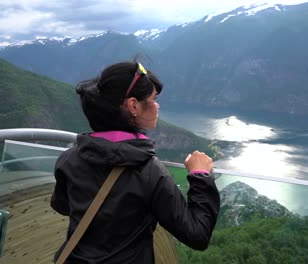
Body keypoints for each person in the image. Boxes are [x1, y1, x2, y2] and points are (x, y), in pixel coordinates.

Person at [50, 61, 220, 263]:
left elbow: (61, 205)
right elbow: (197, 235)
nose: (158, 105)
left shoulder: (69, 158)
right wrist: (200, 177)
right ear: (133, 106)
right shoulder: (149, 171)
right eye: (154, 99)